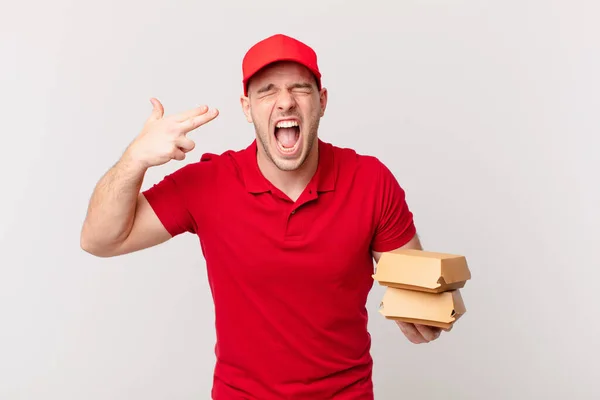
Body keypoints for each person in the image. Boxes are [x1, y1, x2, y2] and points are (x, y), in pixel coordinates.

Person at [80, 33, 443, 399]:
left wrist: (427, 313)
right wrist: (135, 159)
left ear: (322, 101)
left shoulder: (370, 181)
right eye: (267, 90)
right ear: (247, 107)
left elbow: (416, 294)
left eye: (300, 88)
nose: (285, 102)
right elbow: (100, 239)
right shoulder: (207, 183)